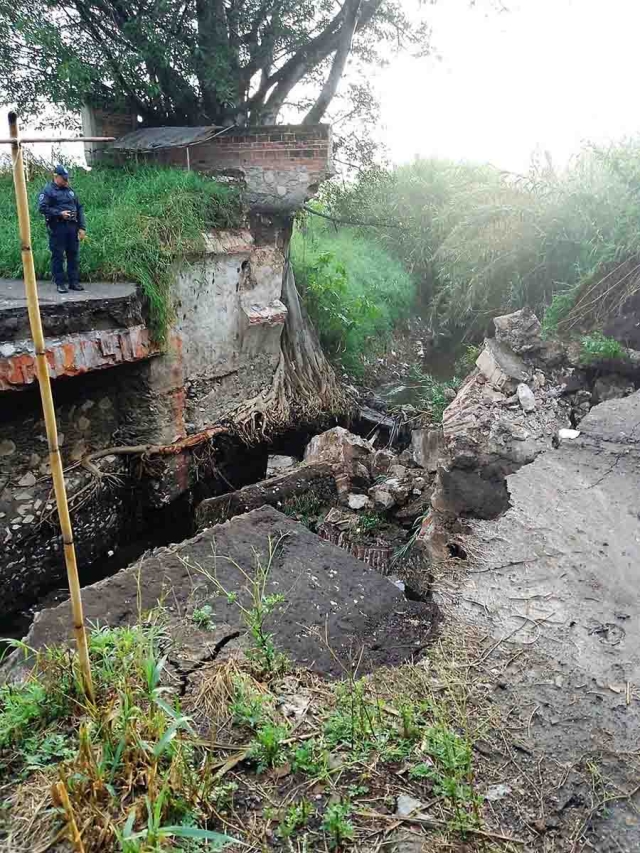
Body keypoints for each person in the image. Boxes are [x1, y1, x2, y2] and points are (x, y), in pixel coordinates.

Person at [38, 165, 87, 294]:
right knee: (58, 255)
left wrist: (82, 227)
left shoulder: (70, 191)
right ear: (56, 177)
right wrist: (60, 213)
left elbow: (80, 208)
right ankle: (60, 283)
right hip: (57, 227)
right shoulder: (48, 191)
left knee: (73, 254)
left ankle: (73, 282)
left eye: (67, 179)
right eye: (64, 179)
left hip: (72, 226)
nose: (66, 181)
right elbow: (42, 208)